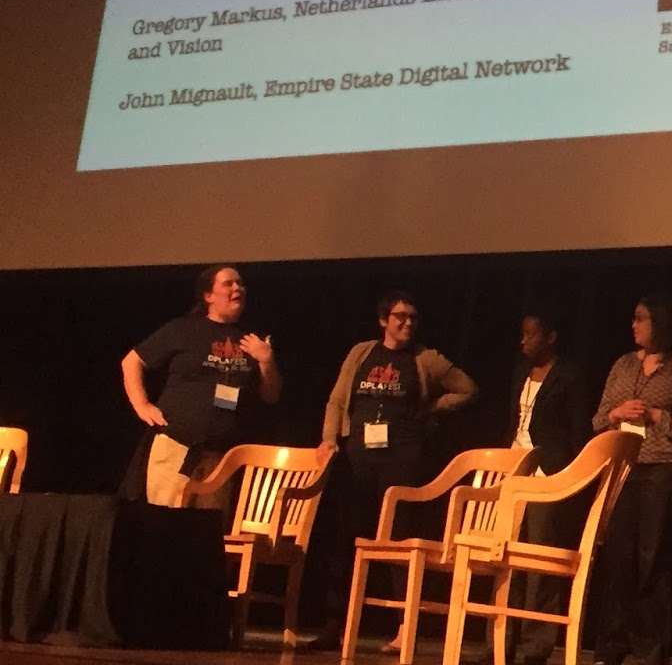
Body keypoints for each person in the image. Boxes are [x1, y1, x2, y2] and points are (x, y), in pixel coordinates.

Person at [316, 291, 477, 647]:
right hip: (358, 458)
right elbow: (337, 400)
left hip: (401, 458)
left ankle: (404, 627)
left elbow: (467, 389)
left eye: (412, 318)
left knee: (397, 541)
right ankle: (334, 625)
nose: (407, 323)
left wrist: (431, 409)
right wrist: (329, 439)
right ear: (383, 320)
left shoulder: (425, 358)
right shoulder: (361, 353)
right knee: (346, 538)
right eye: (400, 317)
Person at [590, 293, 672, 665]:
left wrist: (659, 416)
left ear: (660, 322)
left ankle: (650, 651)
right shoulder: (623, 364)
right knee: (618, 557)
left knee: (652, 558)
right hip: (622, 468)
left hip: (663, 468)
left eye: (640, 318)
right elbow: (597, 420)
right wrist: (617, 413)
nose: (634, 325)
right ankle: (610, 648)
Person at [120, 264, 282, 508]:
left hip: (221, 455)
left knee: (207, 526)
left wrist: (267, 360)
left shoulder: (253, 338)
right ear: (208, 296)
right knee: (165, 521)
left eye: (240, 283)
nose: (237, 288)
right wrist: (142, 405)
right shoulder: (183, 329)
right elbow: (132, 362)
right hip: (176, 444)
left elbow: (271, 396)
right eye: (228, 283)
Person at [499, 307, 593, 665]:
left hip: (546, 475)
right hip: (513, 471)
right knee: (505, 559)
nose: (524, 340)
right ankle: (500, 644)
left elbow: (577, 432)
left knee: (538, 559)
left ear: (550, 337)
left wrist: (567, 477)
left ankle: (534, 647)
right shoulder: (519, 371)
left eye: (531, 333)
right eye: (522, 333)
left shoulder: (569, 375)